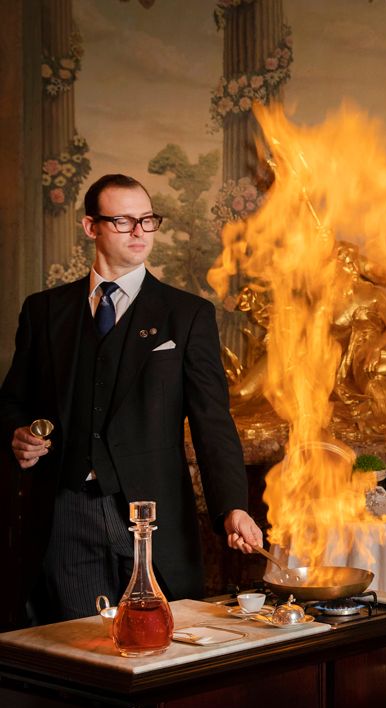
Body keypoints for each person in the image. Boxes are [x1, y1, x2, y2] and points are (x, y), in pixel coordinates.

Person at [0, 173, 263, 624]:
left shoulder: (187, 315)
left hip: (154, 517)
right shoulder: (44, 311)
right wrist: (18, 435)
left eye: (147, 220)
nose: (140, 231)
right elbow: (12, 403)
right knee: (77, 654)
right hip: (66, 515)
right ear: (91, 227)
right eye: (123, 221)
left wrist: (233, 506)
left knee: (159, 653)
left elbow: (212, 422)